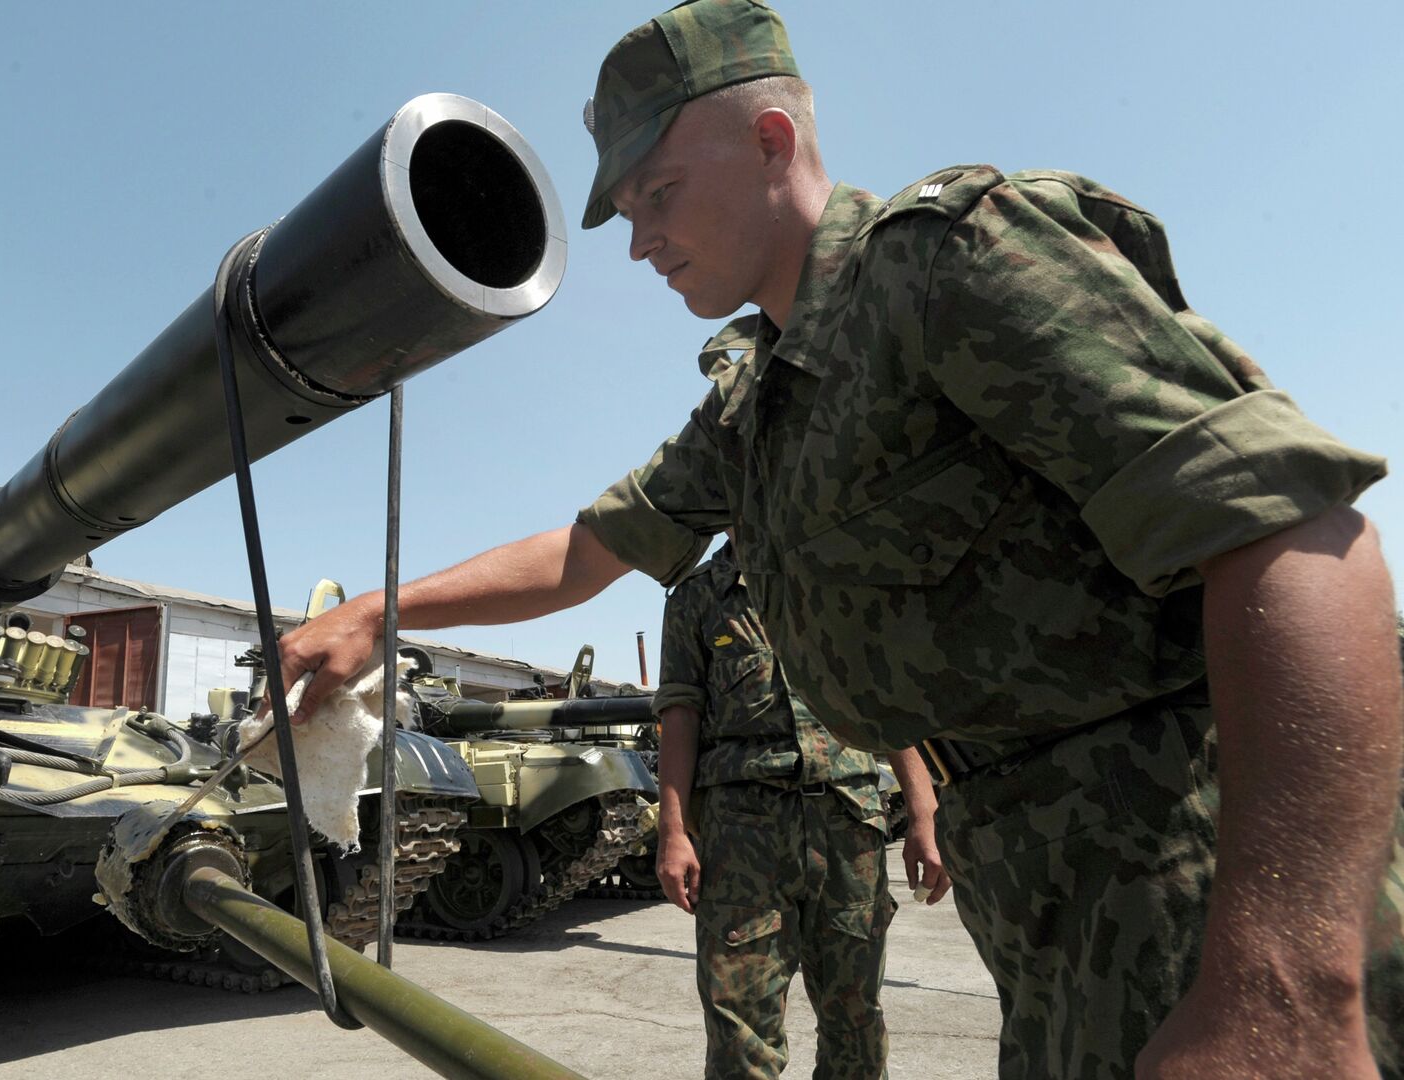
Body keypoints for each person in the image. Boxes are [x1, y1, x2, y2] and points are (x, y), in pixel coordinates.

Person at [277, 2, 1404, 1076]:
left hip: (1190, 862)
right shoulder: (757, 404)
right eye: (626, 212)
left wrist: (1288, 976)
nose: (639, 244)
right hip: (1041, 891)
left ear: (774, 140)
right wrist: (378, 612)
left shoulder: (945, 268)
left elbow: (1299, 535)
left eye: (659, 192)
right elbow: (588, 551)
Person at [656, 514, 948, 1076]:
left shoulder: (838, 578)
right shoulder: (696, 597)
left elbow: (885, 699)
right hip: (743, 837)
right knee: (741, 1034)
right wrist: (672, 830)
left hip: (848, 826)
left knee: (856, 1021)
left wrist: (923, 811)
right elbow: (679, 713)